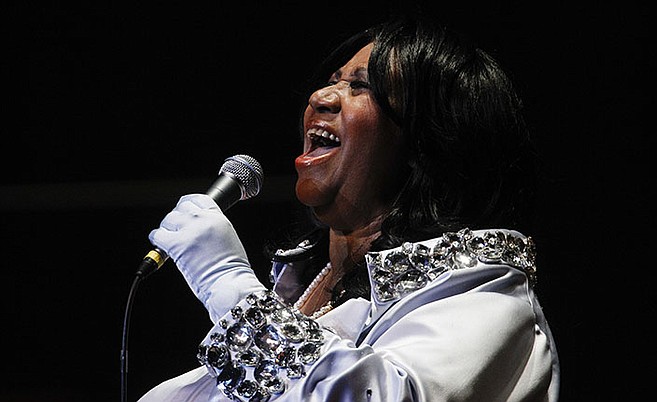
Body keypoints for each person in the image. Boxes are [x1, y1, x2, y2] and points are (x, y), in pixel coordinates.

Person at [139, 16, 560, 402]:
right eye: (332, 81)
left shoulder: (489, 298)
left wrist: (225, 284)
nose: (320, 96)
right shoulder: (297, 292)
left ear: (424, 142)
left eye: (361, 86)